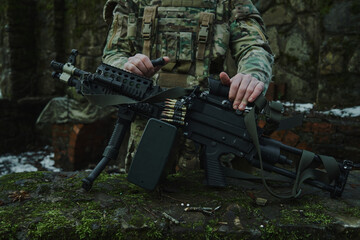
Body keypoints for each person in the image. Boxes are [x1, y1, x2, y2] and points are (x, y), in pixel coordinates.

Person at [101, 0, 274, 172]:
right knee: (145, 188)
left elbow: (253, 46)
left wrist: (252, 74)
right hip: (149, 121)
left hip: (209, 123)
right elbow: (114, 53)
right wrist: (127, 67)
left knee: (212, 193)